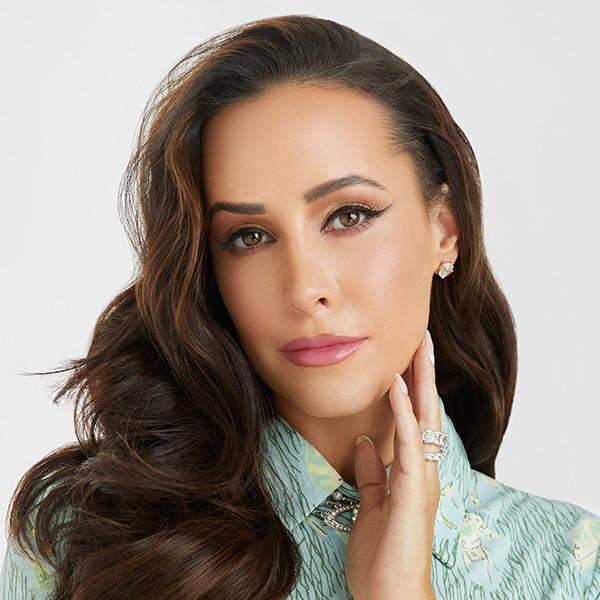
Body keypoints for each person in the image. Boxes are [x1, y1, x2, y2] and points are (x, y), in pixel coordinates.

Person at [1, 13, 599, 600]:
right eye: (249, 237)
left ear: (445, 228)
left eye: (349, 216)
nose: (304, 288)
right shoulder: (81, 540)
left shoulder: (572, 571)